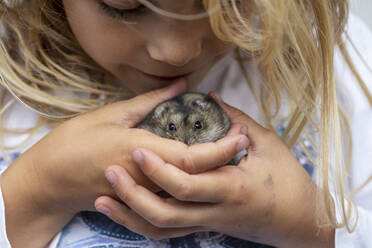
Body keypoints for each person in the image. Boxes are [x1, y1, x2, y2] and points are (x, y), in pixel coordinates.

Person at [0, 0, 371, 247]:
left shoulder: (342, 63)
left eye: (224, 1)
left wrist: (313, 224)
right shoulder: (9, 92)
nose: (176, 52)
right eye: (124, 4)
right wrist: (34, 191)